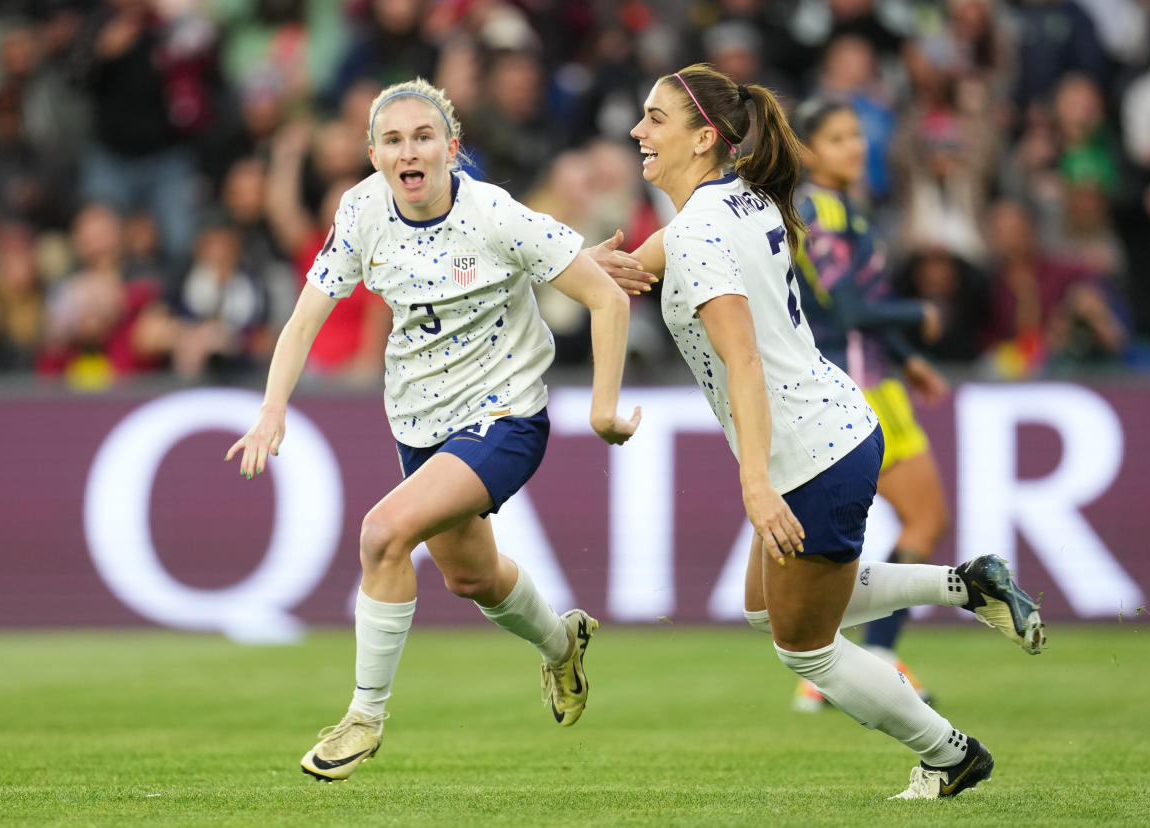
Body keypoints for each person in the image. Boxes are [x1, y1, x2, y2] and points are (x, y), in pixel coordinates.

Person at [592, 63, 1043, 799]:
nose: (638, 131)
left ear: (705, 137)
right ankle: (968, 584)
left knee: (807, 650)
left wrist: (756, 485)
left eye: (654, 118)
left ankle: (949, 753)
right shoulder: (735, 200)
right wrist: (582, 267)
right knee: (765, 606)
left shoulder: (703, 229)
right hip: (839, 425)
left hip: (808, 456)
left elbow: (742, 361)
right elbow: (636, 269)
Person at [225, 78, 640, 783]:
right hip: (419, 420)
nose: (408, 150)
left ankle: (363, 716)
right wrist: (272, 407)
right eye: (392, 139)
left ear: (451, 148)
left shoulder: (496, 214)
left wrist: (603, 407)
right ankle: (560, 644)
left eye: (423, 137)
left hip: (507, 414)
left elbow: (605, 298)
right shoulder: (359, 212)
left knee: (383, 533)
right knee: (472, 577)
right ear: (373, 153)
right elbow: (303, 321)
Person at [787, 97, 951, 710]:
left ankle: (847, 660)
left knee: (910, 524)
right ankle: (853, 659)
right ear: (806, 151)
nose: (854, 147)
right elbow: (851, 311)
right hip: (853, 386)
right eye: (836, 138)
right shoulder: (816, 211)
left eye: (857, 135)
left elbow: (857, 303)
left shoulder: (843, 208)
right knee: (919, 521)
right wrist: (920, 313)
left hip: (872, 379)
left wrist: (908, 358)